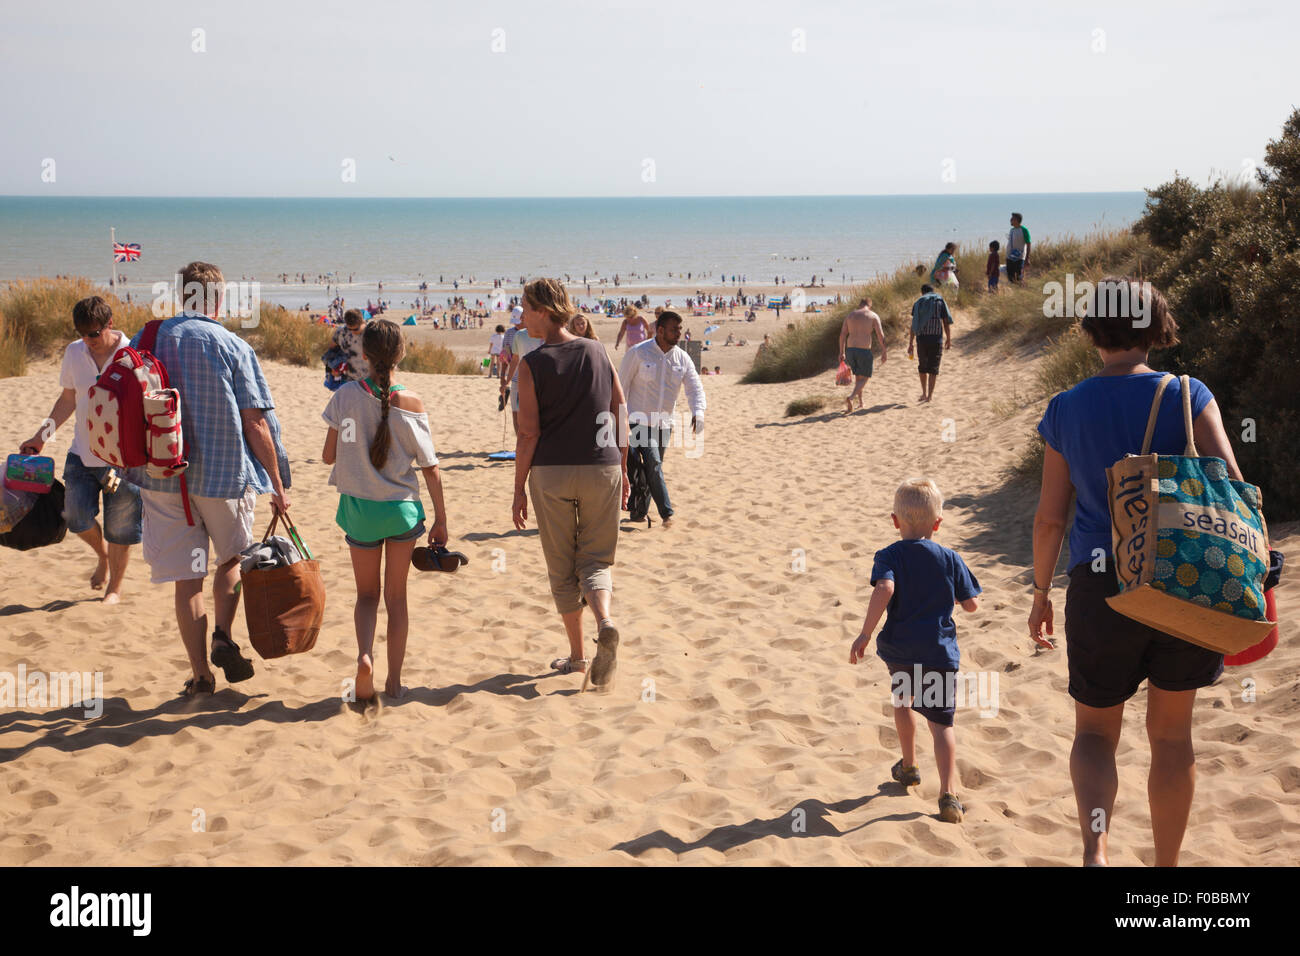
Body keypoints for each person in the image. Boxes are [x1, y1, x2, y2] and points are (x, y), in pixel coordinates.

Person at [1029, 278, 1245, 867]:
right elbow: (1230, 482)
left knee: (1096, 734)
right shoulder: (1188, 393)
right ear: (1156, 328)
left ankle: (1095, 852)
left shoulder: (1065, 407)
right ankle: (1166, 872)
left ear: (1093, 330)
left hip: (1102, 583)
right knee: (1172, 738)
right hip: (1182, 579)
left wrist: (1042, 592)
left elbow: (1051, 519)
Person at [129, 261, 291, 697]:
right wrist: (277, 483)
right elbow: (255, 423)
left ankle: (200, 675)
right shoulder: (231, 344)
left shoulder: (150, 338)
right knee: (231, 561)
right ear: (218, 299)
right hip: (223, 475)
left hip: (163, 474)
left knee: (188, 578)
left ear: (181, 295)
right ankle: (222, 633)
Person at [322, 319, 448, 702]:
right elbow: (430, 467)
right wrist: (441, 519)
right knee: (397, 599)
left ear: (363, 353)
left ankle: (364, 657)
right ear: (401, 353)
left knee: (365, 597)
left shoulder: (344, 396)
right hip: (401, 511)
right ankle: (394, 682)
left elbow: (329, 455)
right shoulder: (411, 402)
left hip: (360, 510)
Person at [511, 278, 628, 691]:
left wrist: (517, 488)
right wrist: (625, 466)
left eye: (525, 307)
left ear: (544, 310)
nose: (521, 315)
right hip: (603, 467)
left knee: (562, 566)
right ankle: (606, 622)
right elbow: (619, 410)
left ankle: (579, 657)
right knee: (595, 559)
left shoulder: (532, 364)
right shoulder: (597, 350)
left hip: (553, 471)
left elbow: (528, 434)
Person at [849, 478, 980, 824]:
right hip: (938, 652)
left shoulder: (889, 555)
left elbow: (885, 587)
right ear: (937, 523)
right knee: (941, 724)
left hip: (901, 650)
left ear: (895, 520)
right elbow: (971, 605)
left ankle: (908, 766)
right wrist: (954, 596)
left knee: (903, 701)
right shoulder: (950, 558)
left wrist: (865, 633)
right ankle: (948, 795)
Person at [19, 296, 142, 604]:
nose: (87, 340)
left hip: (122, 461)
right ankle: (102, 556)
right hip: (81, 455)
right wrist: (41, 436)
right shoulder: (75, 352)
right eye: (81, 333)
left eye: (94, 333)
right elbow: (67, 400)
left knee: (121, 529)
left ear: (109, 325)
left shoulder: (133, 354)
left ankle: (115, 587)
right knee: (75, 518)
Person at [618, 310, 706, 528]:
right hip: (638, 420)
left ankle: (638, 513)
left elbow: (694, 387)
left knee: (651, 468)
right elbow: (621, 386)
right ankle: (667, 514)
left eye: (679, 328)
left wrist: (698, 411)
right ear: (660, 330)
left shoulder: (682, 358)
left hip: (664, 424)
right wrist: (619, 419)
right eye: (674, 329)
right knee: (654, 464)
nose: (679, 332)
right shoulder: (638, 353)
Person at [837, 295, 888, 413]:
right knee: (866, 376)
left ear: (860, 305)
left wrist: (841, 352)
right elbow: (880, 335)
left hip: (850, 350)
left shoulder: (850, 315)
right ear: (869, 306)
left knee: (858, 376)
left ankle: (860, 402)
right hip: (863, 350)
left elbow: (842, 335)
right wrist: (884, 350)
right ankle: (851, 397)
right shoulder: (873, 315)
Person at [907, 285, 953, 403]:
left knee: (922, 367)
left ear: (922, 292)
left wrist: (911, 343)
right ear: (933, 291)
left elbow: (914, 324)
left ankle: (923, 393)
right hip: (936, 339)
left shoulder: (918, 303)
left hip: (921, 340)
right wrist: (948, 338)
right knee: (933, 368)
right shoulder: (939, 301)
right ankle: (930, 396)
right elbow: (946, 322)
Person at [501, 306, 542, 434]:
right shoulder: (510, 334)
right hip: (516, 380)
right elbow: (507, 356)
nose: (516, 325)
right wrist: (503, 378)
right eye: (515, 323)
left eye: (519, 322)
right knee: (516, 414)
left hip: (534, 381)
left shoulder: (539, 333)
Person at [332, 309, 371, 382]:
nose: (352, 332)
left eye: (356, 329)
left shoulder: (371, 333)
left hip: (369, 380)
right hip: (349, 379)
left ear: (362, 322)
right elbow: (332, 349)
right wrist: (334, 366)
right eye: (349, 329)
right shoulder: (341, 332)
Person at [1006, 213, 1031, 283]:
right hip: (1009, 257)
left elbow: (1028, 243)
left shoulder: (1024, 230)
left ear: (1017, 220)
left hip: (1019, 258)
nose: (1010, 220)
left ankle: (1022, 291)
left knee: (1019, 277)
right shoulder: (1012, 230)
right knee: (1010, 278)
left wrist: (1027, 258)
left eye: (1012, 218)